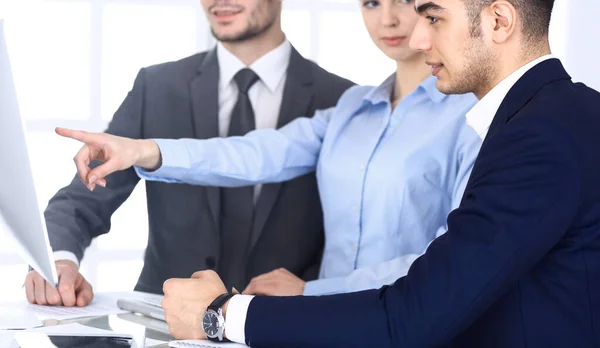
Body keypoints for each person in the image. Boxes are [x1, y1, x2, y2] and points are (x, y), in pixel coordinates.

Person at [153, 0, 600, 346]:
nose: (419, 39)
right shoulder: (552, 116)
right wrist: (148, 152)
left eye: (434, 18)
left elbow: (415, 316)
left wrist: (222, 314)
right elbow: (259, 153)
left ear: (500, 22)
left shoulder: (538, 136)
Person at [55, 0, 481, 300]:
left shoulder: (471, 118)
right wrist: (145, 151)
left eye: (407, 0)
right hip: (275, 322)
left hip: (368, 317)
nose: (388, 17)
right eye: (370, 1)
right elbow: (257, 153)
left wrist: (312, 291)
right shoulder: (353, 109)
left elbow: (453, 256)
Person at [23, 0, 354, 307]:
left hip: (287, 325)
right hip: (163, 324)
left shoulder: (343, 102)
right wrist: (58, 262)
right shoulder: (157, 86)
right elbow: (82, 199)